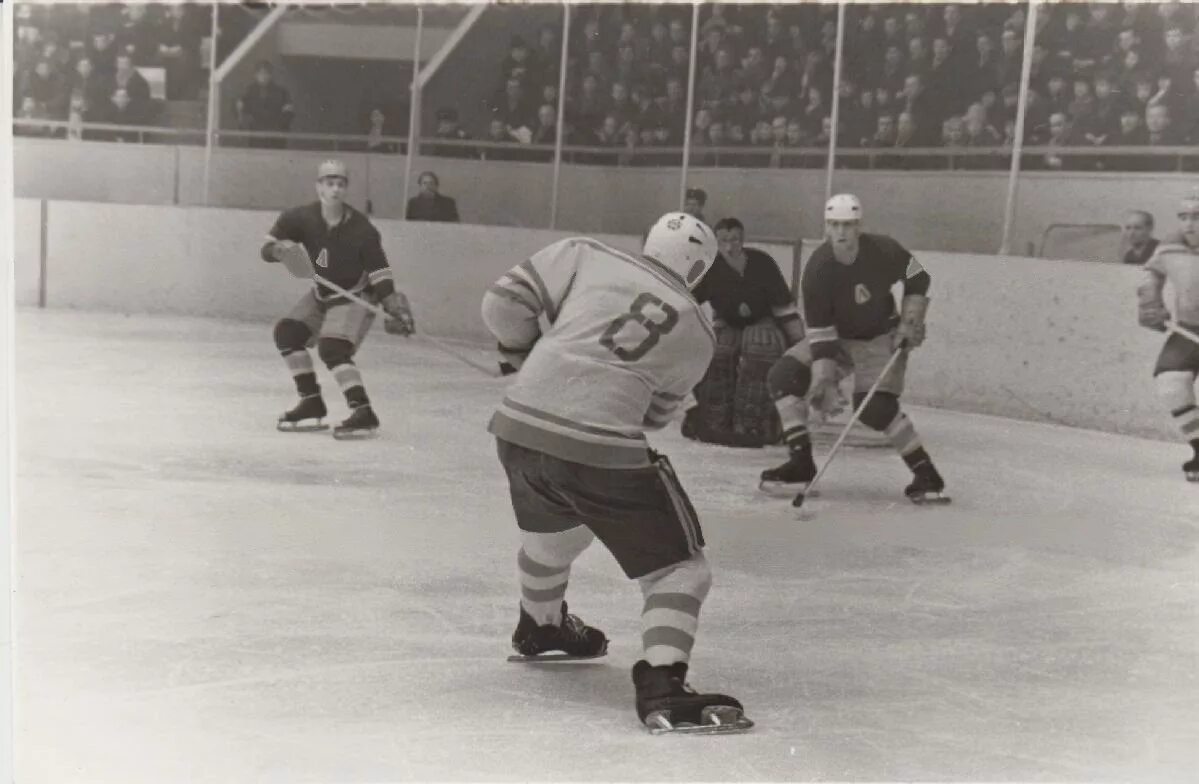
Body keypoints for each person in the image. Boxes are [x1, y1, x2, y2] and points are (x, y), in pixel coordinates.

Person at [479, 212, 752, 734]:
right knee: (680, 570)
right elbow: (654, 417)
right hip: (599, 449)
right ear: (698, 271)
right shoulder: (697, 328)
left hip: (517, 430)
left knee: (553, 538)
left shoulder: (585, 252)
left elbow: (502, 304)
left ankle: (540, 626)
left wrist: (519, 350)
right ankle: (663, 685)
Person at [760, 194, 949, 504]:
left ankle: (925, 473)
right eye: (835, 225)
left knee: (874, 407)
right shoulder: (818, 269)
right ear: (827, 227)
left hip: (879, 336)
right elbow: (821, 334)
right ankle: (801, 464)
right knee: (783, 376)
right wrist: (824, 381)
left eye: (848, 225)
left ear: (859, 226)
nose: (841, 232)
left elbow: (919, 277)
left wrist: (910, 321)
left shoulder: (885, 250)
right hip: (837, 337)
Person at [261, 159, 415, 439]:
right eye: (329, 183)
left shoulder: (362, 228)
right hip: (322, 293)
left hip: (355, 295)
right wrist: (279, 252)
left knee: (332, 348)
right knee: (287, 333)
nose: (335, 189)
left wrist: (390, 302)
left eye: (341, 184)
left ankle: (363, 410)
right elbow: (268, 246)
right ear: (318, 186)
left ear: (346, 189)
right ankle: (311, 402)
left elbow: (379, 270)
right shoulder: (300, 217)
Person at [685, 217, 804, 446]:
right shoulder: (708, 266)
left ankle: (757, 424)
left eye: (735, 240)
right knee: (718, 350)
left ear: (743, 240)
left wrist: (799, 344)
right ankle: (714, 420)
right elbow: (687, 302)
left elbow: (784, 308)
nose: (730, 246)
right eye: (723, 241)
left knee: (760, 345)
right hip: (726, 322)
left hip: (764, 320)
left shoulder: (762, 263)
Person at [1136, 189, 1199, 482]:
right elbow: (1151, 271)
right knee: (1171, 385)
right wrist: (1151, 302)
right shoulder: (1171, 248)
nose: (1189, 224)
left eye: (1197, 217)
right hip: (1189, 331)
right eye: (1183, 216)